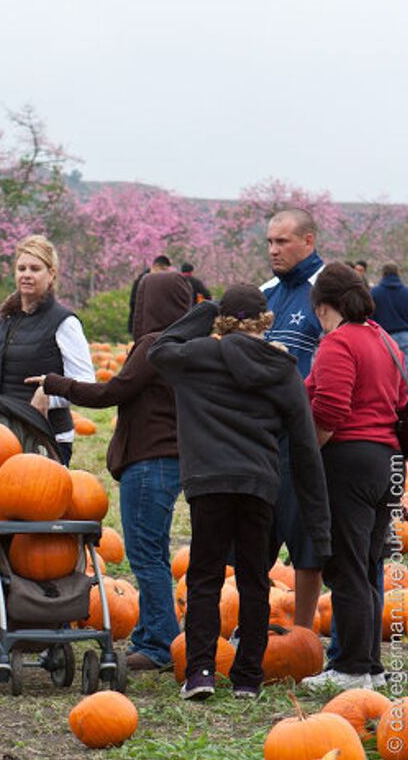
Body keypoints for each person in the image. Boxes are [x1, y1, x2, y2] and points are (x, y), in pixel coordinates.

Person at [147, 286, 330, 701]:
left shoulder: (195, 357)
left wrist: (206, 310)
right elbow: (304, 446)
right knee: (253, 579)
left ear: (224, 321)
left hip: (208, 482)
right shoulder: (283, 367)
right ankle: (248, 677)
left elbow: (159, 349)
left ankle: (201, 672)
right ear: (266, 321)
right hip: (259, 484)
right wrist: (319, 527)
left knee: (205, 577)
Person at [27, 272, 192, 670]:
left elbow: (110, 392)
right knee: (151, 552)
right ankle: (153, 636)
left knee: (146, 555)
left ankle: (161, 644)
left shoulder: (154, 345)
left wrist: (57, 384)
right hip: (168, 459)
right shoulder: (185, 345)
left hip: (149, 461)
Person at [301, 263, 407, 691]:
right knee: (367, 564)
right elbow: (401, 401)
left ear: (325, 306)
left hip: (349, 459)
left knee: (346, 565)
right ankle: (371, 668)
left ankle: (350, 667)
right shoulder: (385, 340)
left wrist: (310, 453)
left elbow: (329, 410)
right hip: (387, 461)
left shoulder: (338, 343)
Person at [261, 208, 325, 629]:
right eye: (269, 242)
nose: (273, 250)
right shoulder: (266, 292)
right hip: (261, 436)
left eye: (282, 242)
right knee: (256, 533)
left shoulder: (328, 290)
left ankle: (303, 633)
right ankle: (254, 622)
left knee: (305, 540)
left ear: (308, 241)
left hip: (306, 437)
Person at [0, 234, 94, 466]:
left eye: (35, 268)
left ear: (51, 273)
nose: (26, 274)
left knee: (37, 498)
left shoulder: (64, 322)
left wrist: (49, 394)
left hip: (46, 434)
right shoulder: (0, 321)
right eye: (21, 268)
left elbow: (86, 382)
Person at [371, 263, 408, 356]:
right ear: (397, 273)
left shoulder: (374, 293)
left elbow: (371, 316)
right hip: (405, 335)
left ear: (383, 274)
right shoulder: (406, 292)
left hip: (383, 336)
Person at [128, 254, 171, 333]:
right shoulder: (142, 280)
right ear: (156, 266)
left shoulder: (159, 280)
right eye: (163, 269)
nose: (165, 273)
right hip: (143, 323)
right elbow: (134, 302)